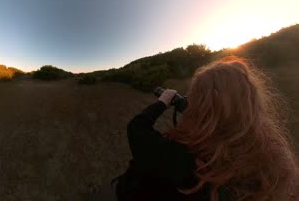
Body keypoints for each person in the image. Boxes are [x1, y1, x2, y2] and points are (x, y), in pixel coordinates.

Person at [113, 56, 298, 201]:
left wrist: (163, 102)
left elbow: (136, 128)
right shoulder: (268, 158)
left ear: (201, 108)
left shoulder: (179, 157)